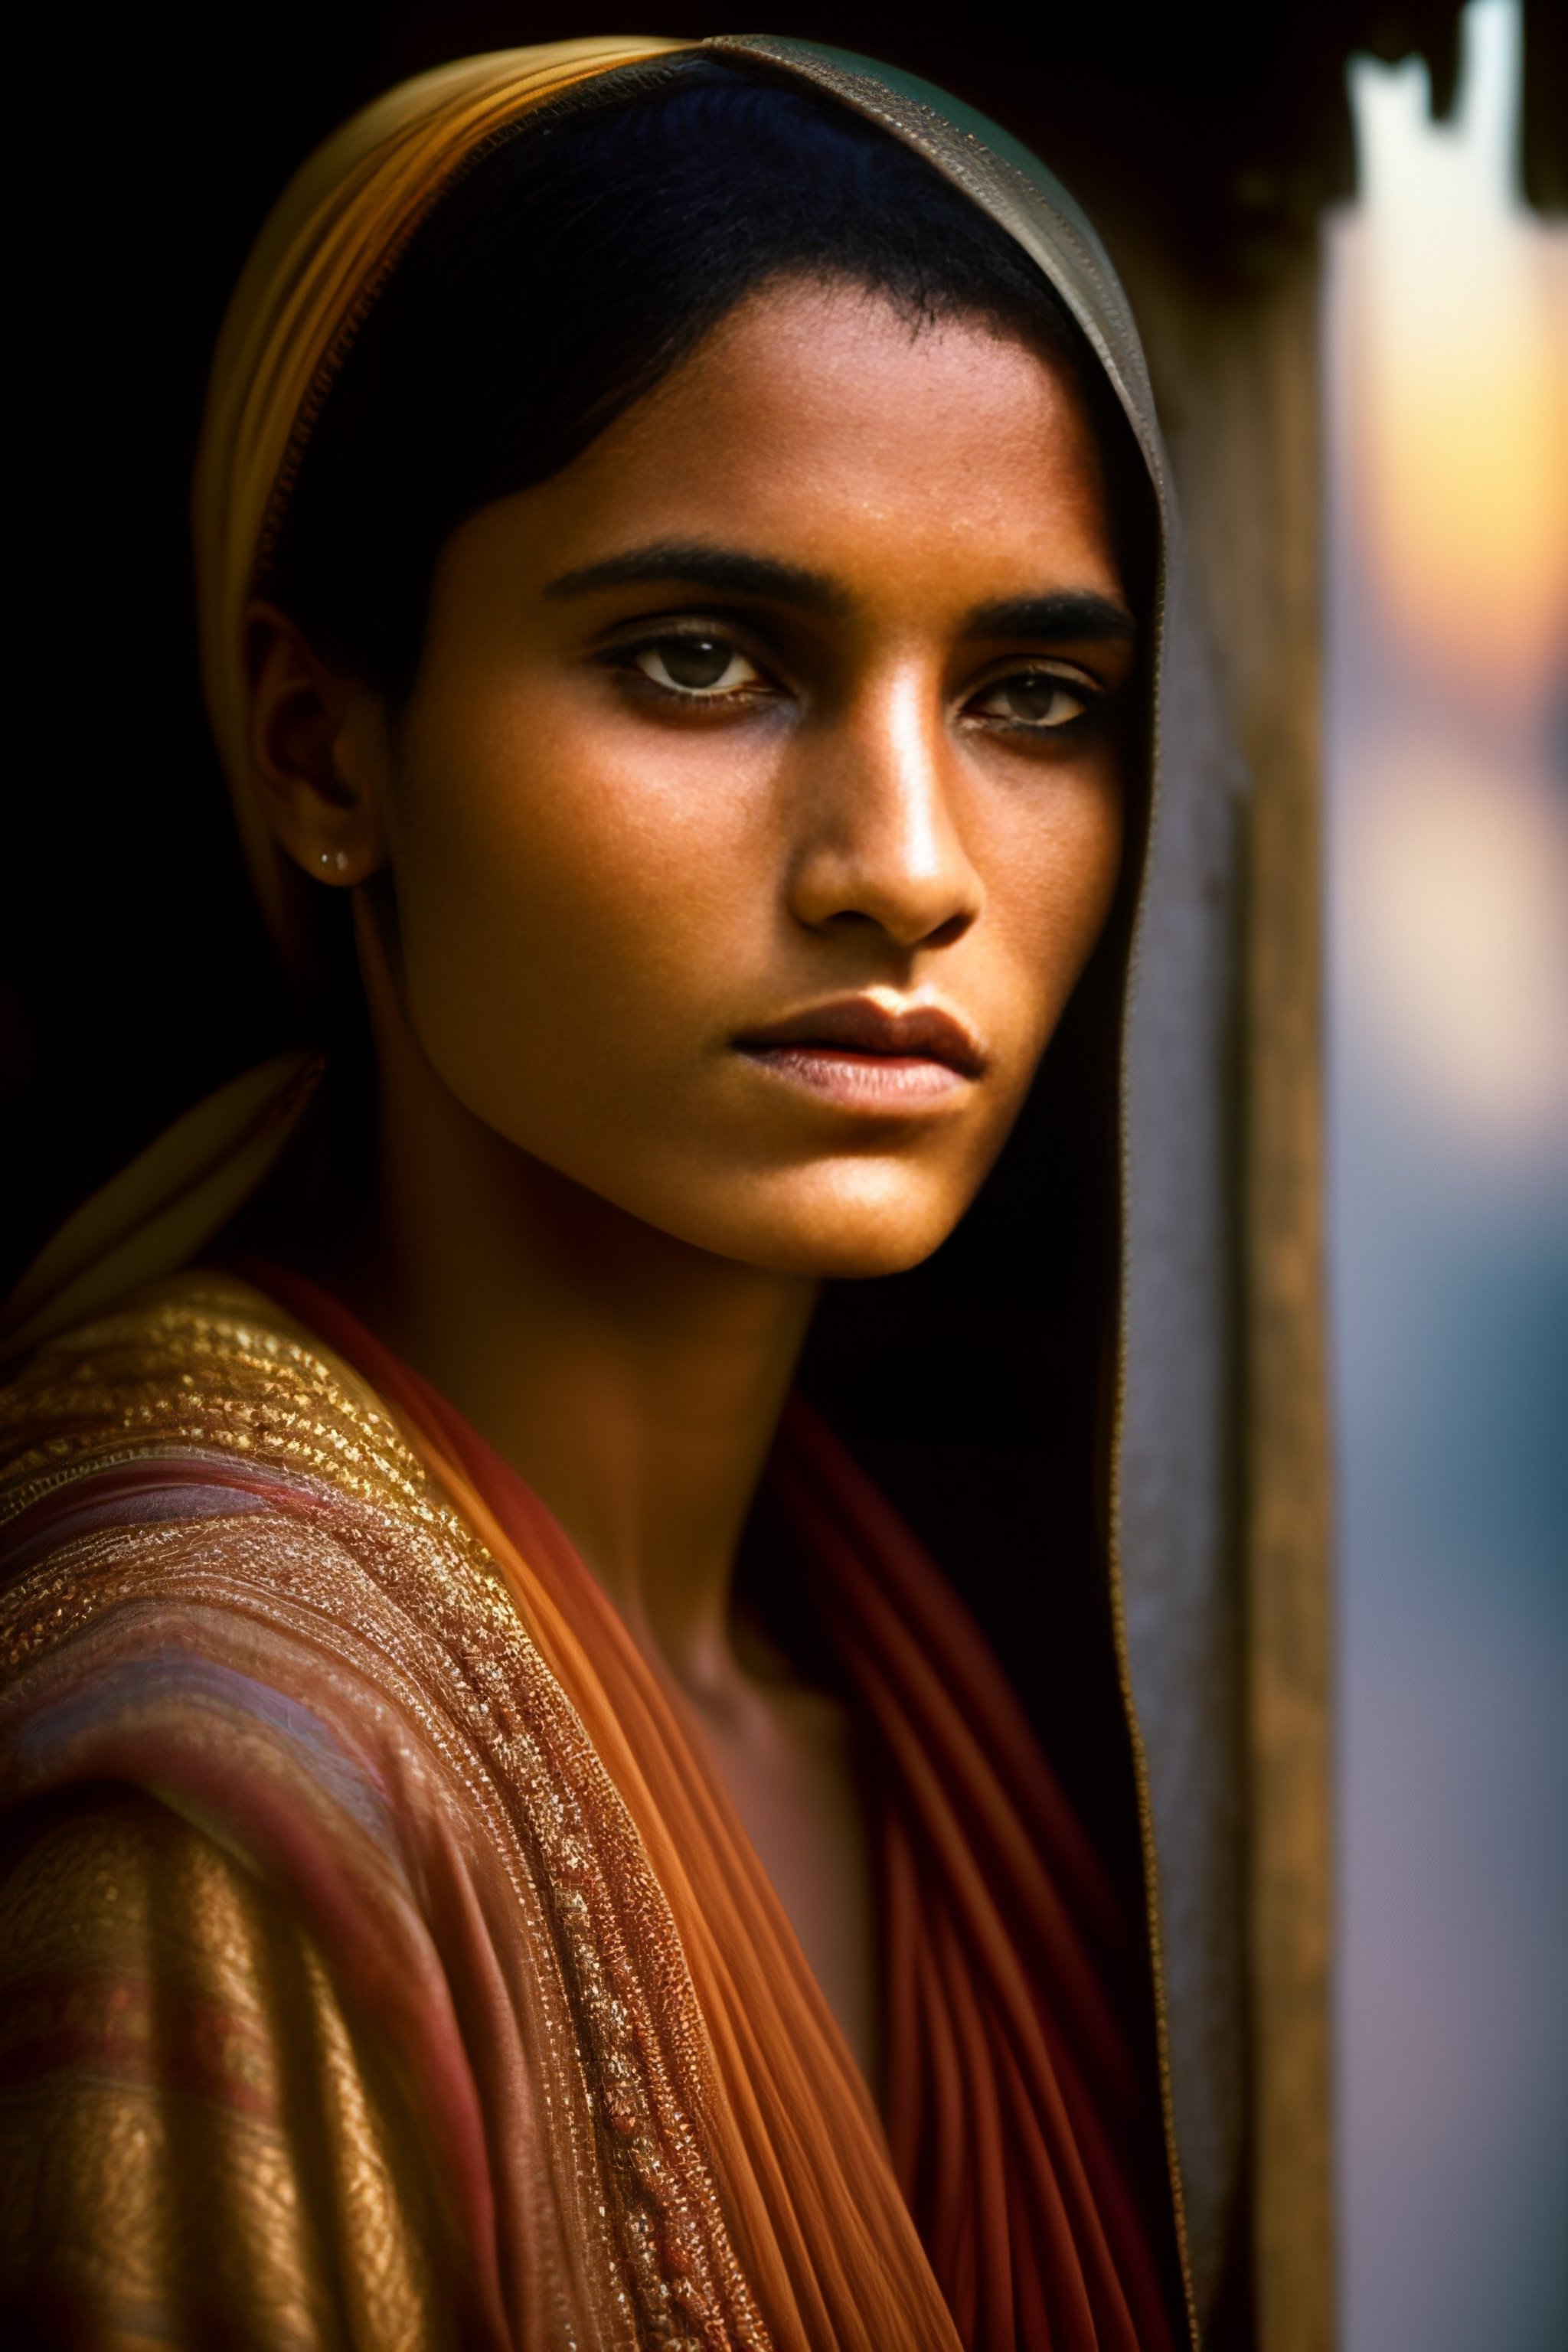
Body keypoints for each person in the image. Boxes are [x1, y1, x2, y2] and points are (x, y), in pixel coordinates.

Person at [0, 36, 1243, 2350]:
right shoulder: (212, 1789)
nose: (908, 869)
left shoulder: (962, 1743)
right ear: (324, 744)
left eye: (1037, 698)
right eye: (704, 659)